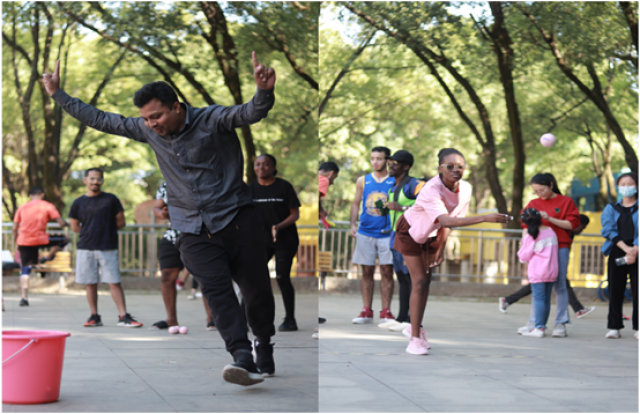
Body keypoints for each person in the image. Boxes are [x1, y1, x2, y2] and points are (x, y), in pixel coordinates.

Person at [44, 52, 277, 386]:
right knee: (216, 290)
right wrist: (58, 94)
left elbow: (250, 112)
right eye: (146, 119)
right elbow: (100, 119)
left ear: (177, 107)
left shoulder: (212, 119)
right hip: (192, 228)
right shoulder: (147, 129)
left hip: (238, 220)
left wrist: (263, 91)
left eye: (157, 116)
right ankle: (241, 355)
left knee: (256, 292)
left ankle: (263, 341)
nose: (151, 124)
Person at [394, 148, 511, 355]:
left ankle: (415, 327)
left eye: (460, 167)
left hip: (434, 232)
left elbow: (452, 220)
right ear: (440, 169)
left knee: (426, 281)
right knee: (418, 282)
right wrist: (484, 218)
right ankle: (414, 340)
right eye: (450, 166)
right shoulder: (431, 189)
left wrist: (441, 247)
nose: (456, 170)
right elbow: (446, 220)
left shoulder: (465, 188)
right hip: (411, 231)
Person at [69, 168, 143, 328]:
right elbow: (74, 227)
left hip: (108, 246)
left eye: (99, 179)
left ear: (102, 181)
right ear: (85, 180)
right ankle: (94, 316)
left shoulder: (111, 199)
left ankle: (123, 316)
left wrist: (105, 231)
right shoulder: (78, 202)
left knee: (114, 281)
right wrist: (90, 232)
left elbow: (121, 222)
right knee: (90, 283)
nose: (95, 181)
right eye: (92, 178)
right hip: (86, 247)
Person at [516, 173, 580, 338]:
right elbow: (526, 225)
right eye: (536, 191)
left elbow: (572, 224)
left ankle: (560, 323)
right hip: (539, 250)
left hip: (560, 248)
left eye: (542, 190)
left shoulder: (566, 202)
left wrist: (550, 218)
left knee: (560, 286)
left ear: (551, 185)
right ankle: (534, 323)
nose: (539, 194)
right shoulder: (533, 203)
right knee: (538, 290)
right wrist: (525, 242)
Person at [499, 214, 596, 318]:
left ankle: (508, 300)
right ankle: (576, 310)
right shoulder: (560, 232)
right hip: (547, 264)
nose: (582, 230)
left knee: (538, 286)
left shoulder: (568, 233)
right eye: (582, 227)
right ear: (577, 224)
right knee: (547, 286)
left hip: (552, 265)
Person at [151, 182, 214, 331]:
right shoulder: (167, 184)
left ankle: (213, 318)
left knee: (204, 276)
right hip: (172, 234)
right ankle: (171, 319)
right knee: (166, 275)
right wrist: (162, 213)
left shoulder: (202, 180)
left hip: (198, 234)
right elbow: (156, 208)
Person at [249, 154, 301, 332]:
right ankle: (244, 316)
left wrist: (278, 226)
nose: (261, 167)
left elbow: (294, 214)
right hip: (260, 241)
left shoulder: (284, 187)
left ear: (273, 167)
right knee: (253, 277)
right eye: (258, 164)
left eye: (266, 164)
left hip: (285, 240)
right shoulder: (250, 189)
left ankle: (290, 319)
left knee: (282, 277)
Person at [350, 147, 397, 324]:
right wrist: (352, 224)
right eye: (372, 158)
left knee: (387, 271)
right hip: (365, 232)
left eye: (379, 158)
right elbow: (356, 203)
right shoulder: (362, 180)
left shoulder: (394, 180)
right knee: (366, 271)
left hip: (387, 233)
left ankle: (386, 312)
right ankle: (366, 311)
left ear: (387, 160)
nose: (375, 162)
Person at [379, 150, 425, 332]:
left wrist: (403, 207)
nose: (390, 166)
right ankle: (401, 318)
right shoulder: (393, 187)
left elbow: (427, 205)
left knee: (411, 278)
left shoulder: (415, 184)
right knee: (401, 278)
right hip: (394, 236)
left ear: (406, 166)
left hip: (409, 237)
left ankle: (413, 320)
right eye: (389, 163)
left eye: (395, 163)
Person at [12, 186, 70, 307]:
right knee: (65, 239)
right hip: (41, 239)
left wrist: (17, 240)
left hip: (24, 240)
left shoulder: (22, 207)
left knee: (25, 269)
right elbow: (61, 223)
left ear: (30, 196)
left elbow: (14, 228)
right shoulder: (47, 206)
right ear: (42, 195)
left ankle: (24, 297)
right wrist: (68, 223)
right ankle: (47, 257)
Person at [601, 172, 638, 339]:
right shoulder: (611, 208)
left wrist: (634, 249)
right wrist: (626, 249)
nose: (626, 187)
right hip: (618, 249)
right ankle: (614, 327)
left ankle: (638, 327)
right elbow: (608, 230)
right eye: (623, 184)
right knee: (615, 289)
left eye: (630, 184)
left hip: (638, 250)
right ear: (617, 187)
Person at [517, 208, 559, 338]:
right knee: (546, 300)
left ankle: (539, 328)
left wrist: (521, 246)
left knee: (539, 299)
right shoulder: (551, 232)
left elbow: (524, 257)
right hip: (552, 271)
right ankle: (541, 326)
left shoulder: (531, 236)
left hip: (538, 272)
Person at [317, 161, 340, 336]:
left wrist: (321, 212)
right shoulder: (323, 179)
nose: (332, 182)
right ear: (331, 173)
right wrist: (321, 211)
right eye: (335, 178)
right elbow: (316, 197)